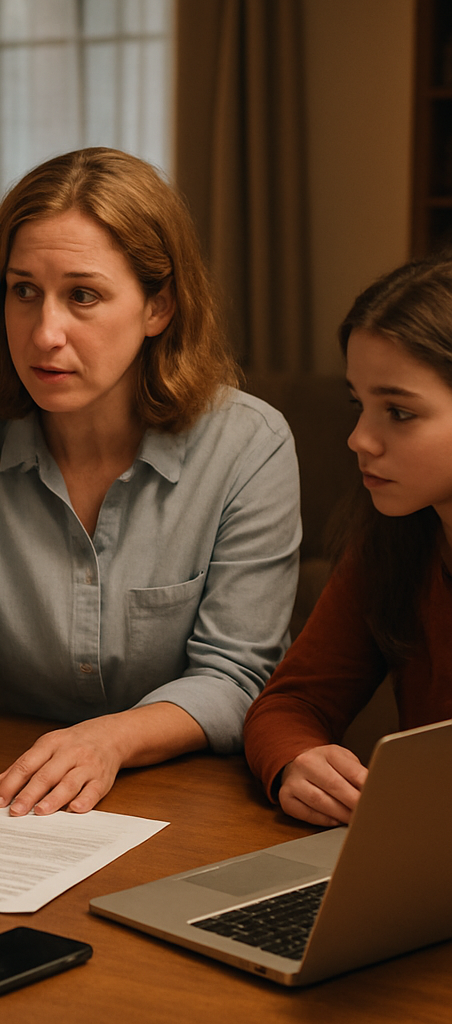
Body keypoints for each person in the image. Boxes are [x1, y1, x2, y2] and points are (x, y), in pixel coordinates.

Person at [0, 148, 301, 858]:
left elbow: (238, 675)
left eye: (84, 295)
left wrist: (111, 740)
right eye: (23, 291)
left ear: (159, 306)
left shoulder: (249, 445)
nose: (44, 334)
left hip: (179, 809)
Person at [245, 256, 452, 827]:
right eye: (358, 404)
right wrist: (298, 761)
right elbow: (292, 703)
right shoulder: (395, 542)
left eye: (400, 412)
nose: (359, 439)